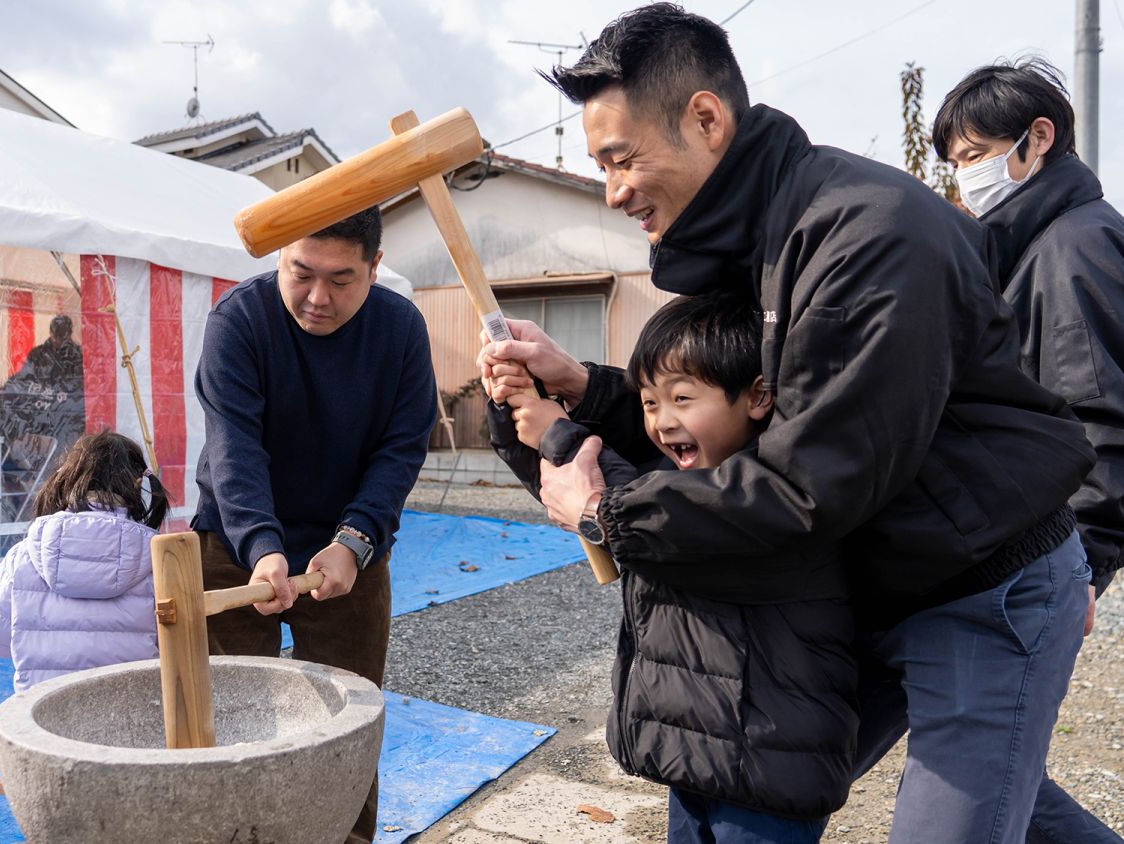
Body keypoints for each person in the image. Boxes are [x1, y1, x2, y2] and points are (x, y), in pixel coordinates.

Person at [479, 5, 1095, 841]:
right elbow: (727, 420)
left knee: (954, 822)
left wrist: (603, 511)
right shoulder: (754, 238)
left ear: (705, 118)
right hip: (868, 571)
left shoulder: (869, 239)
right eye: (601, 165)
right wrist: (583, 387)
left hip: (982, 588)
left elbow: (805, 484)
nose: (614, 190)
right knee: (802, 788)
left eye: (622, 160)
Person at [491, 292, 857, 840]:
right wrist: (517, 405)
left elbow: (653, 511)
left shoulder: (771, 493)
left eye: (682, 398)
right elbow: (593, 483)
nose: (662, 422)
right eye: (649, 402)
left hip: (767, 767)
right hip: (691, 748)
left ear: (758, 395)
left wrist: (558, 434)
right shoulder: (686, 471)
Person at [192, 207, 436, 844]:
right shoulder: (238, 320)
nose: (318, 297)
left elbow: (401, 447)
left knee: (349, 724)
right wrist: (262, 549)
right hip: (234, 546)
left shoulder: (401, 327)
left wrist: (355, 540)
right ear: (278, 254)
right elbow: (234, 447)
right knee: (230, 721)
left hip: (348, 551)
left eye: (342, 280)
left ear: (375, 268)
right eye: (301, 273)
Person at [934, 58, 1124, 844]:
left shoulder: (1075, 246)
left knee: (984, 776)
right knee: (999, 768)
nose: (962, 177)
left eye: (972, 155)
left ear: (1037, 139)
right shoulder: (1035, 243)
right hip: (1026, 559)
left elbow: (1103, 421)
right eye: (953, 162)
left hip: (1039, 567)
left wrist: (1085, 564)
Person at [0, 432, 168, 692]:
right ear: (138, 484)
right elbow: (176, 644)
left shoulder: (22, 555)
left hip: (41, 720)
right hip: (133, 718)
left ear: (66, 478)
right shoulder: (159, 560)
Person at [18, 315, 85, 449]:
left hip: (68, 414)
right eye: (57, 334)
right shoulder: (37, 354)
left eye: (63, 334)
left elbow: (81, 384)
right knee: (44, 450)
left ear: (70, 333)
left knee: (67, 450)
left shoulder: (77, 354)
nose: (60, 339)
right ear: (51, 332)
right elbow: (25, 380)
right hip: (43, 410)